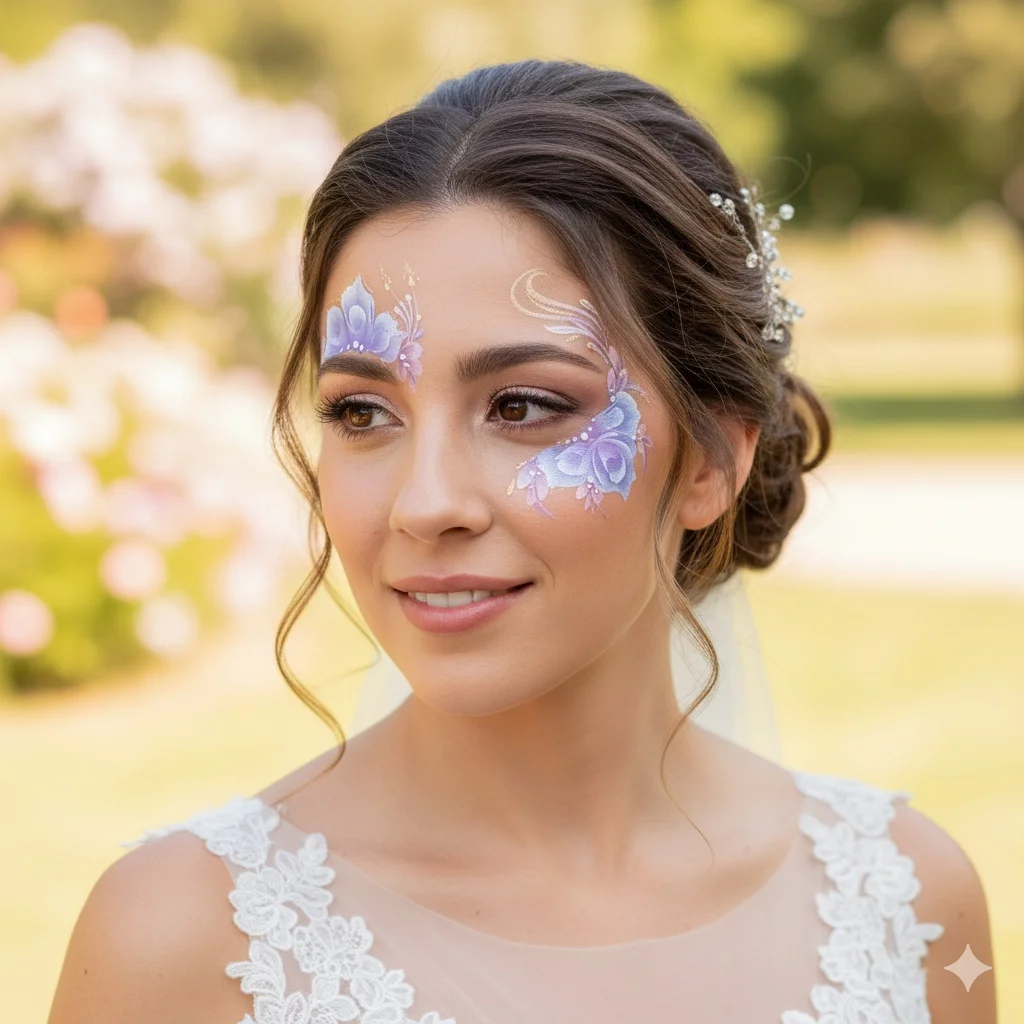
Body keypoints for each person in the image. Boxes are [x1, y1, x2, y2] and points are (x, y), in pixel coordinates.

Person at [47, 61, 995, 1024]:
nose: (425, 504)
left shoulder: (910, 908)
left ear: (712, 457)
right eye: (363, 412)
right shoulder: (179, 944)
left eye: (523, 406)